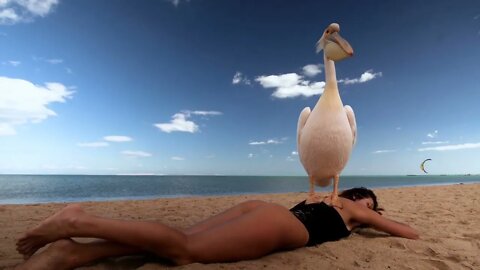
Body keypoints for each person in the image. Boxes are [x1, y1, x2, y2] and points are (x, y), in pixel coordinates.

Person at [15, 187, 419, 269]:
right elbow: (409, 234)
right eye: (373, 205)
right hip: (283, 225)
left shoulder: (321, 199)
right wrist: (373, 216)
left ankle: (75, 251)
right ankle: (77, 220)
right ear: (361, 197)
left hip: (264, 210)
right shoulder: (352, 205)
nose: (373, 211)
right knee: (184, 250)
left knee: (185, 239)